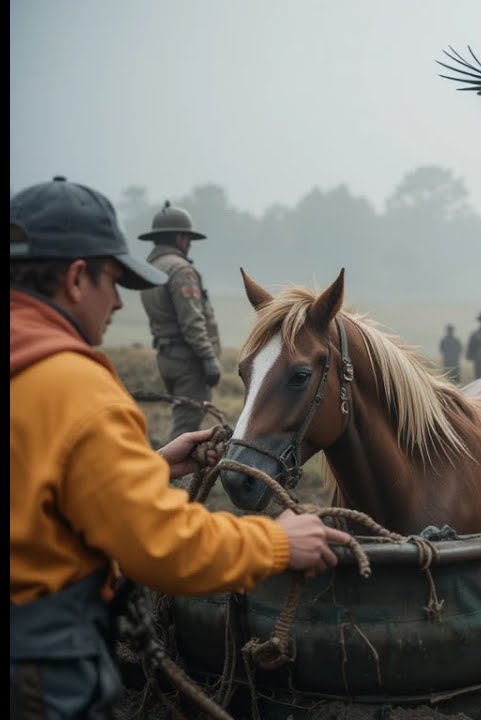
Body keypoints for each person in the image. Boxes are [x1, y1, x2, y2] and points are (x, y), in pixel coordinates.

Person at [10, 176, 352, 719]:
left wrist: (151, 468)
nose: (118, 302)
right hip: (38, 663)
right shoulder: (76, 390)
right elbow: (159, 544)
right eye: (113, 282)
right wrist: (278, 542)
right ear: (76, 279)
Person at [138, 200, 222, 441]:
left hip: (167, 356)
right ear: (179, 237)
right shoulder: (181, 270)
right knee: (186, 428)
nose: (190, 245)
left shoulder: (151, 268)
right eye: (188, 238)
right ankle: (168, 467)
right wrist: (208, 358)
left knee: (183, 420)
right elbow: (192, 321)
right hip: (188, 360)